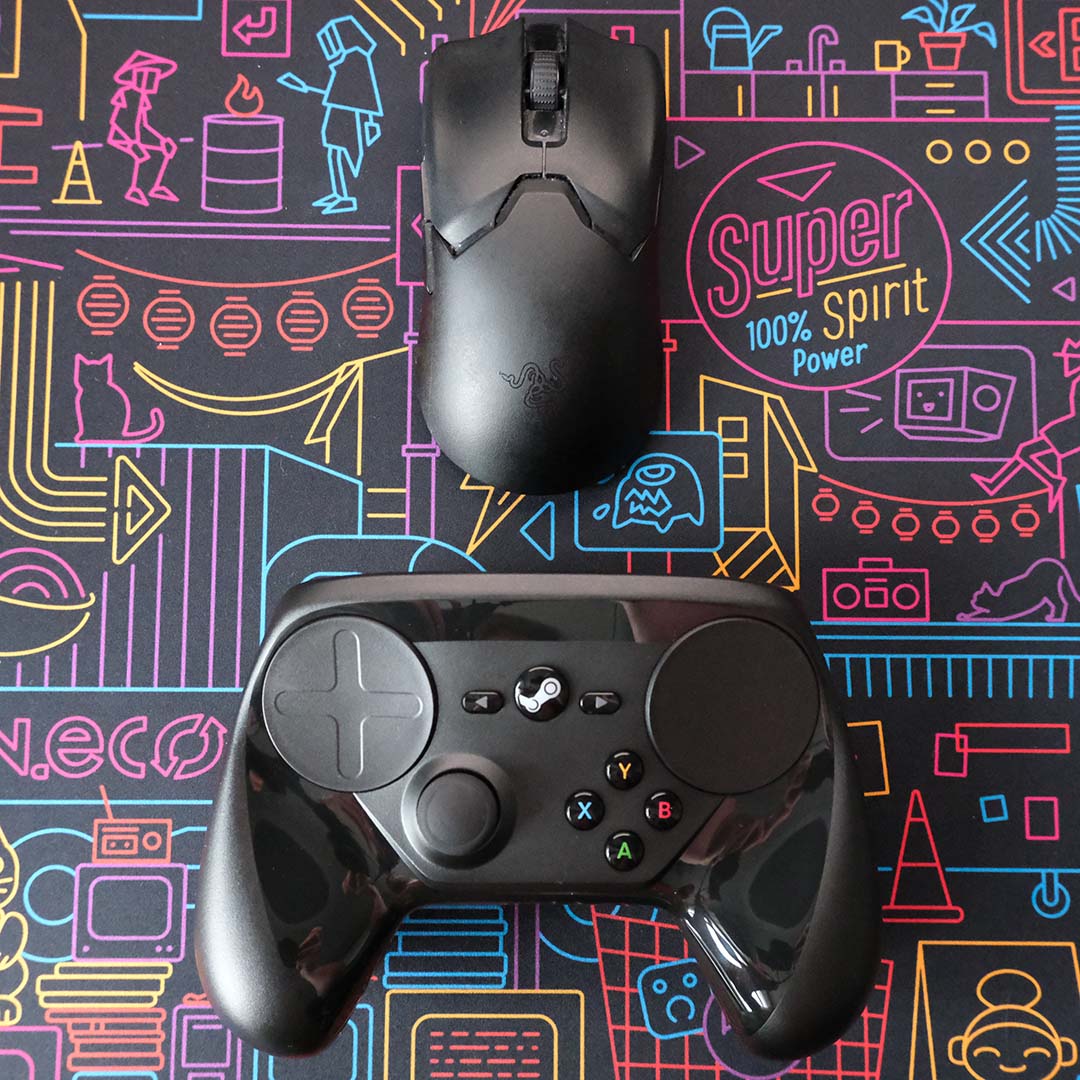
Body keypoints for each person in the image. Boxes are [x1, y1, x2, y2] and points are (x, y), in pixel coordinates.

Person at [278, 16, 384, 215]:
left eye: (334, 40)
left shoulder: (355, 58)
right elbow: (336, 90)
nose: (331, 47)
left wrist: (306, 87)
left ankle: (344, 196)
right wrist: (304, 87)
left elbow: (350, 94)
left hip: (347, 118)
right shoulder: (346, 61)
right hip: (338, 114)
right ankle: (339, 193)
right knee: (333, 153)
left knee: (342, 154)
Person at [107, 51, 180, 207]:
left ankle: (156, 187)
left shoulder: (143, 97)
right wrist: (132, 143)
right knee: (143, 156)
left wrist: (162, 141)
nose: (152, 79)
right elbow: (117, 122)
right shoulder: (125, 94)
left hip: (137, 135)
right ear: (136, 75)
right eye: (148, 74)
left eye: (155, 75)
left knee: (163, 150)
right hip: (121, 136)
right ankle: (135, 190)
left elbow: (143, 125)